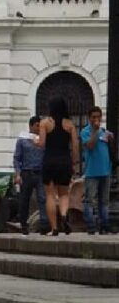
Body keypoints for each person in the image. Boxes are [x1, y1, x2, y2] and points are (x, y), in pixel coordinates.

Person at [35, 96, 80, 236]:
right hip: (64, 161)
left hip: (49, 161)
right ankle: (64, 215)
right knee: (64, 194)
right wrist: (74, 161)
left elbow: (42, 144)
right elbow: (75, 146)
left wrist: (34, 141)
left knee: (49, 194)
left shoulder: (45, 123)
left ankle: (54, 227)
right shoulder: (70, 125)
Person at [81, 106, 113, 235]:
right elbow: (90, 145)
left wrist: (110, 139)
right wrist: (95, 131)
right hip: (92, 171)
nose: (96, 119)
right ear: (89, 118)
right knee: (90, 200)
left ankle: (104, 224)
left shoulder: (104, 131)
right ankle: (90, 225)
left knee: (104, 200)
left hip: (105, 170)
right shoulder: (85, 131)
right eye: (93, 117)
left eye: (98, 117)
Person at [14, 116, 47, 235]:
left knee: (42, 198)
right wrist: (17, 174)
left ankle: (44, 223)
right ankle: (24, 224)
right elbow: (17, 158)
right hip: (26, 173)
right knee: (24, 199)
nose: (39, 128)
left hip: (40, 172)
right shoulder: (23, 140)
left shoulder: (43, 139)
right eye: (37, 125)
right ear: (31, 126)